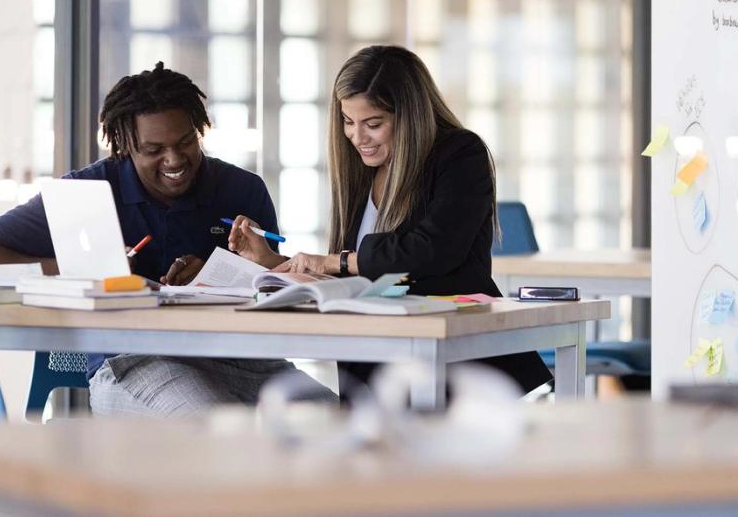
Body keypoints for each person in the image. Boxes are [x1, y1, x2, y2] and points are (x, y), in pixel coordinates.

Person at [0, 62, 331, 415]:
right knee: (210, 425)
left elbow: (275, 290)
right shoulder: (86, 191)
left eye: (186, 142)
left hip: (245, 359)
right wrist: (85, 268)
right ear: (123, 145)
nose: (174, 159)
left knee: (345, 419)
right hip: (133, 362)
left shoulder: (242, 190)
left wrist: (232, 270)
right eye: (153, 150)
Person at [229, 45, 552, 395]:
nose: (356, 137)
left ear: (409, 116)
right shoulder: (361, 169)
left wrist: (336, 260)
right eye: (348, 122)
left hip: (452, 360)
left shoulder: (460, 154)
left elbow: (432, 250)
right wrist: (273, 263)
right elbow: (359, 279)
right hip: (376, 357)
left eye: (373, 124)